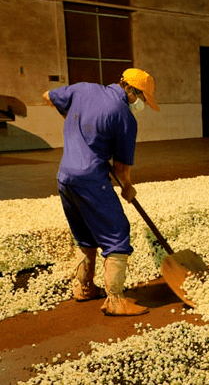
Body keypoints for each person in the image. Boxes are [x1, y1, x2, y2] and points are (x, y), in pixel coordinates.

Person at [43, 68, 160, 316]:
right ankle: (116, 300)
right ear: (133, 91)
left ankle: (84, 288)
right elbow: (120, 166)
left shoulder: (83, 88)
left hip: (65, 177)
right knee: (117, 232)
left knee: (85, 234)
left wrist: (73, 119)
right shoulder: (124, 117)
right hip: (91, 179)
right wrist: (127, 188)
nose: (140, 104)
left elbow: (48, 96)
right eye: (142, 99)